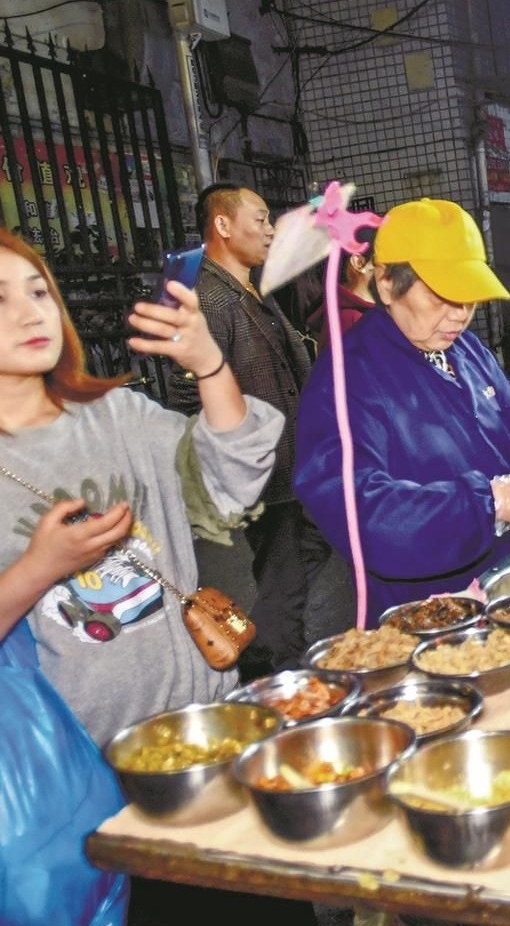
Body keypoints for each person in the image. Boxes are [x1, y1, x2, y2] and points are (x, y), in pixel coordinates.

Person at [0, 224, 282, 746]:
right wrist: (37, 571)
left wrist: (210, 365)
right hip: (68, 770)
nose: (31, 312)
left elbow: (234, 482)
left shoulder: (119, 416)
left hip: (204, 725)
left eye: (38, 291)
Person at [294, 198, 510, 611]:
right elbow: (361, 513)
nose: (460, 316)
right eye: (442, 297)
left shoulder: (466, 349)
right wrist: (491, 502)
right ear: (385, 283)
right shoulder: (346, 380)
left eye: (470, 299)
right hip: (430, 610)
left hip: (508, 577)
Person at [165, 183, 352, 675]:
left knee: (305, 551)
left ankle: (269, 646)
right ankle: (276, 670)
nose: (270, 229)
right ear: (223, 225)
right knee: (286, 571)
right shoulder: (207, 296)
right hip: (258, 467)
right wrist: (234, 446)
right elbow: (186, 389)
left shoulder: (247, 287)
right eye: (261, 218)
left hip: (288, 461)